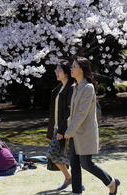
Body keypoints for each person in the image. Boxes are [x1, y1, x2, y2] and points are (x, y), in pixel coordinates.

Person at [64, 56, 120, 195]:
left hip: (84, 132)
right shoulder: (76, 86)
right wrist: (66, 128)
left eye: (74, 66)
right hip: (74, 132)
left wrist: (70, 130)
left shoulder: (87, 88)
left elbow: (82, 113)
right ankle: (76, 192)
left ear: (82, 69)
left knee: (86, 163)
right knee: (74, 164)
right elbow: (73, 112)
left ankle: (111, 182)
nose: (71, 69)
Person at [46, 59, 74, 190]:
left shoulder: (71, 88)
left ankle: (72, 179)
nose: (56, 72)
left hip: (67, 128)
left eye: (60, 70)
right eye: (56, 70)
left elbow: (69, 111)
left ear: (67, 73)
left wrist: (62, 130)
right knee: (54, 155)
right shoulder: (59, 88)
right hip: (59, 127)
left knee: (69, 157)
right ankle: (70, 178)